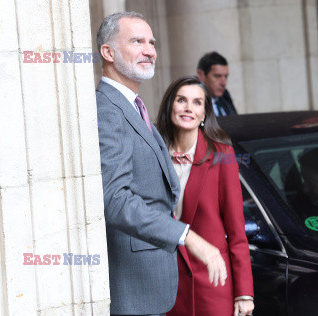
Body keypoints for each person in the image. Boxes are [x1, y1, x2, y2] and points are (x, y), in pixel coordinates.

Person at [96, 12, 227, 315]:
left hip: (151, 282)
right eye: (137, 41)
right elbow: (114, 200)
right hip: (131, 287)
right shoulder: (107, 110)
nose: (150, 50)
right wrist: (186, 236)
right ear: (108, 52)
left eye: (152, 42)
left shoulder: (133, 106)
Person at [156, 76, 254, 316]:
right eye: (181, 100)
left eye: (197, 103)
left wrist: (244, 292)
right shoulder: (154, 152)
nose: (189, 108)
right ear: (170, 106)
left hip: (212, 282)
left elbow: (236, 230)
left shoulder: (222, 153)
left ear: (204, 114)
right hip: (164, 284)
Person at [197, 52, 238, 116]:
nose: (224, 83)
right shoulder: (194, 102)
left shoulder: (225, 96)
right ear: (201, 75)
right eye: (217, 76)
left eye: (226, 76)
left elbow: (236, 122)